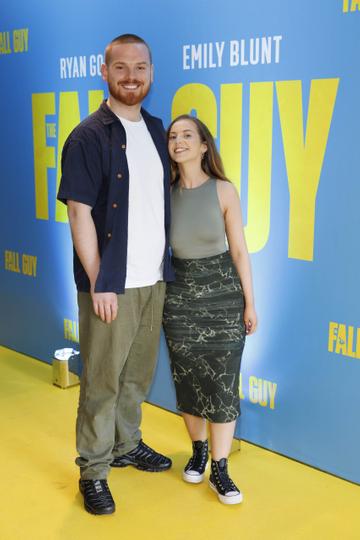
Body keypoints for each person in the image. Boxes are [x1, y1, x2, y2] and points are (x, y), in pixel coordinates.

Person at [57, 34, 174, 515]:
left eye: (140, 67)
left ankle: (127, 445)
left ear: (150, 71)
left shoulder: (154, 126)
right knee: (102, 382)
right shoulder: (87, 135)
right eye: (121, 67)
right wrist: (100, 280)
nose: (132, 76)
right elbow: (79, 213)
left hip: (154, 279)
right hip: (112, 283)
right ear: (104, 72)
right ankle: (94, 469)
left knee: (135, 377)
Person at [163, 114, 257, 505]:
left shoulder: (223, 190)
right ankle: (198, 450)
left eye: (188, 135)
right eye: (173, 136)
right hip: (179, 293)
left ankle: (220, 468)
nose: (179, 141)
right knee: (187, 377)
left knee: (221, 380)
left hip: (222, 293)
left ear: (204, 146)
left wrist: (250, 301)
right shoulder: (163, 193)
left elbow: (238, 249)